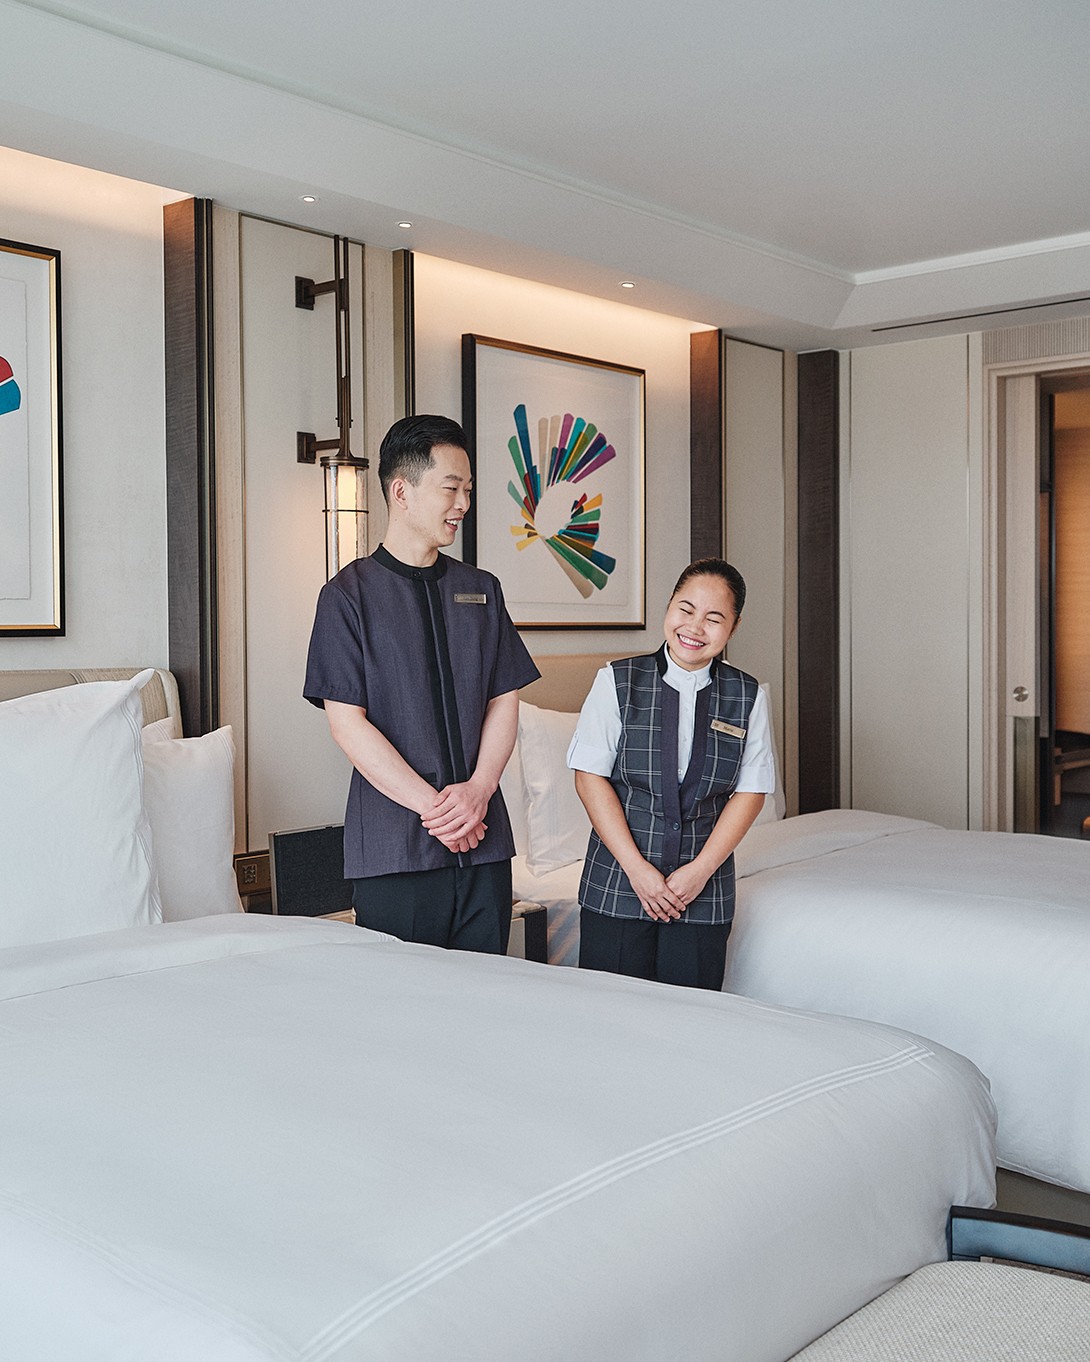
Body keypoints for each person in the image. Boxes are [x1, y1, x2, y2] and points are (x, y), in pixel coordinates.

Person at [304, 414, 539, 952]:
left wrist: (479, 790)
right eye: (451, 488)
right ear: (401, 491)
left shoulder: (482, 589)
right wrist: (439, 811)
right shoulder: (347, 597)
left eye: (468, 490)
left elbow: (505, 699)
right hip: (397, 852)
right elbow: (347, 725)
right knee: (404, 1001)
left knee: (486, 992)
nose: (463, 504)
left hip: (483, 844)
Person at [566, 558, 775, 990]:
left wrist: (699, 872)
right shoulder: (617, 681)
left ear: (733, 627)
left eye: (714, 618)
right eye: (686, 609)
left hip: (703, 890)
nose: (695, 627)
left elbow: (751, 792)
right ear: (669, 606)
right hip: (618, 884)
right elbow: (589, 778)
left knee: (691, 1018)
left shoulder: (747, 695)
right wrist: (637, 870)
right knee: (609, 1014)